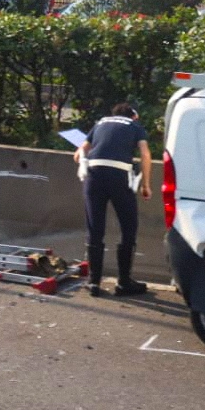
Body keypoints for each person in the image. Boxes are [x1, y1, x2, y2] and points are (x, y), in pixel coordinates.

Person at [75, 102, 153, 297]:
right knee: (128, 226)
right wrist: (145, 185)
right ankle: (124, 282)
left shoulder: (100, 123)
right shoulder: (135, 126)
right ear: (134, 115)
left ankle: (94, 282)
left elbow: (78, 154)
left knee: (95, 228)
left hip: (94, 176)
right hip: (119, 177)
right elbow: (145, 154)